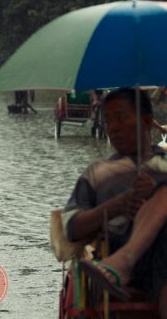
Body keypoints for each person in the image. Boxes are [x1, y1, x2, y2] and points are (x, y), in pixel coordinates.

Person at [62, 88, 167, 316]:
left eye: (120, 118)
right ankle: (124, 260)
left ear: (147, 120)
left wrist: (155, 192)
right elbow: (71, 227)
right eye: (108, 121)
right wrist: (116, 206)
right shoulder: (98, 173)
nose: (113, 128)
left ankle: (124, 262)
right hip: (117, 247)